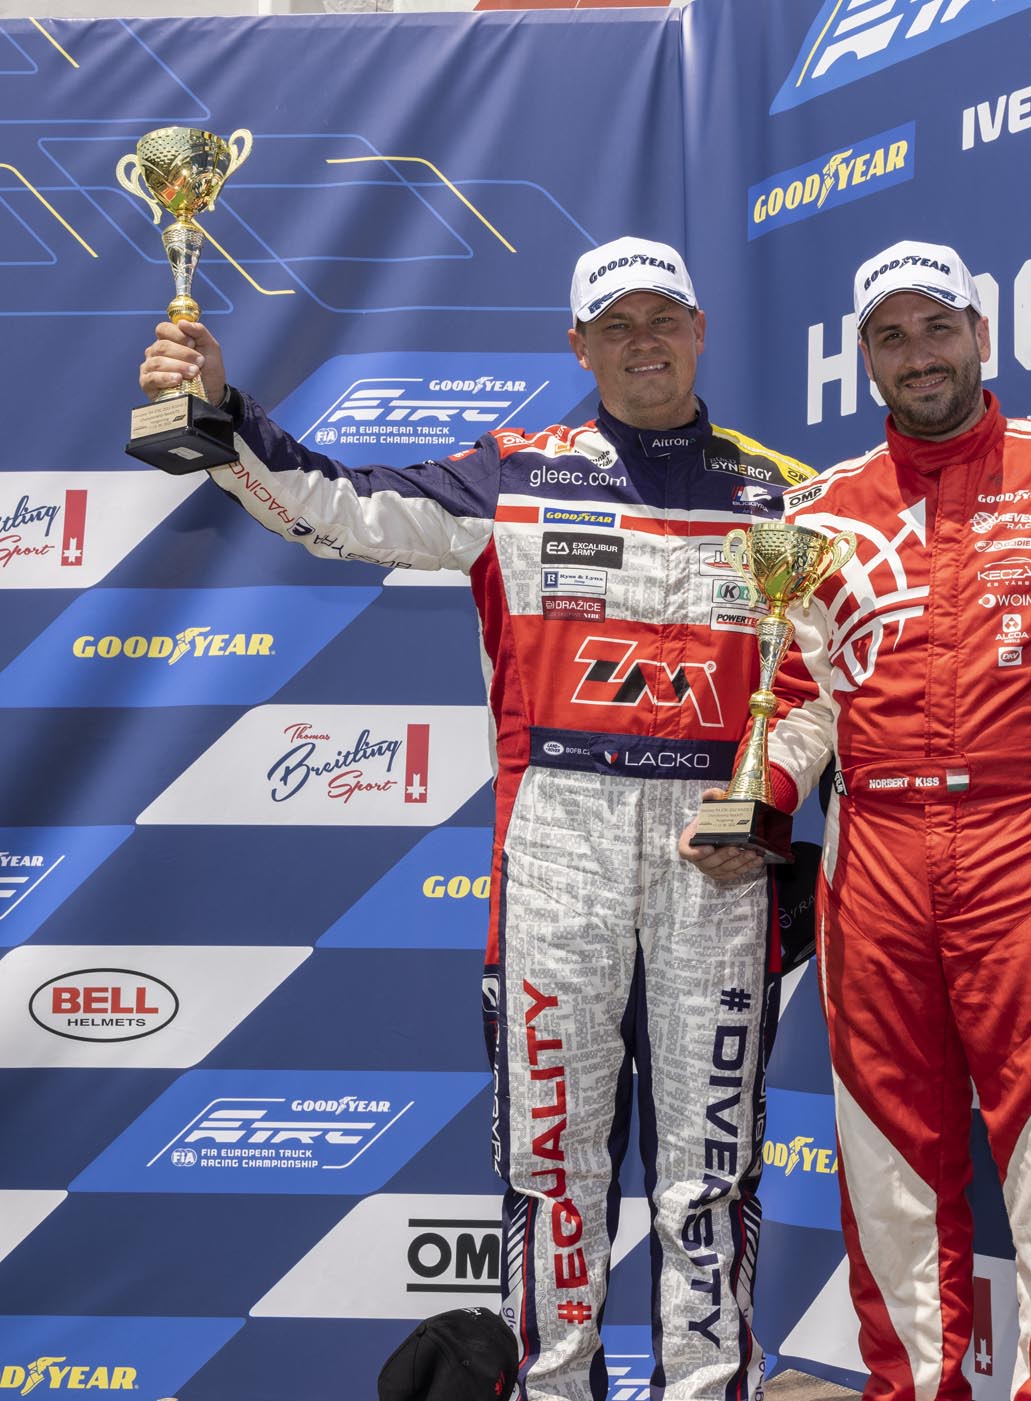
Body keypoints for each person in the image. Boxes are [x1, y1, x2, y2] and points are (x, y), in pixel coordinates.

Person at [139, 236, 811, 1401]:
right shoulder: (514, 475)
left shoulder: (785, 495)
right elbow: (339, 510)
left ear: (701, 330)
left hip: (717, 861)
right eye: (615, 324)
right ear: (579, 346)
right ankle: (551, 1389)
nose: (643, 341)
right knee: (553, 1167)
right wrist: (223, 413)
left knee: (711, 1170)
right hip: (557, 848)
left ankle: (711, 1391)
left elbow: (824, 682)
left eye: (663, 318)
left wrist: (776, 797)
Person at [686, 240, 1031, 1400]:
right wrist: (761, 799)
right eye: (891, 336)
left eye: (937, 327)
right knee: (890, 1176)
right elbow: (798, 697)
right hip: (876, 858)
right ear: (865, 357)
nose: (918, 353)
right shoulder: (817, 514)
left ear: (982, 334)